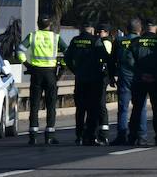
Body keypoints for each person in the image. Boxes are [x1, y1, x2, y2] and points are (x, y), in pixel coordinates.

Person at [18, 16, 67, 145]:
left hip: (36, 73)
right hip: (50, 73)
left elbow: (20, 50)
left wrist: (27, 64)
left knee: (34, 105)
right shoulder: (55, 38)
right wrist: (62, 65)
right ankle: (49, 135)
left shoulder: (32, 36)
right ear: (50, 24)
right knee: (51, 105)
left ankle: (33, 136)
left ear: (38, 24)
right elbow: (67, 52)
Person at [128, 20, 157, 146]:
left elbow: (129, 60)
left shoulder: (136, 42)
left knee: (136, 109)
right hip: (156, 81)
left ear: (144, 28)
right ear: (156, 28)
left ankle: (132, 137)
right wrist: (156, 75)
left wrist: (141, 74)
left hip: (139, 80)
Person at [65, 22, 109, 145]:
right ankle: (90, 136)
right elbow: (105, 56)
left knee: (80, 108)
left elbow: (67, 58)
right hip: (94, 79)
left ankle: (79, 135)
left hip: (80, 79)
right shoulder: (96, 40)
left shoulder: (75, 40)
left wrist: (75, 70)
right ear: (92, 29)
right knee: (92, 108)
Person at [110, 20, 140, 146]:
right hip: (138, 77)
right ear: (139, 29)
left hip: (123, 77)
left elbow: (112, 59)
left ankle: (121, 135)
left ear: (127, 29)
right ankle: (138, 135)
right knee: (139, 107)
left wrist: (111, 76)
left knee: (123, 108)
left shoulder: (119, 41)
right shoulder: (141, 41)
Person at [96, 26, 114, 145]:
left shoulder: (106, 43)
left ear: (106, 32)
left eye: (100, 31)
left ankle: (104, 134)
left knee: (100, 103)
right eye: (97, 31)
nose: (98, 33)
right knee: (98, 103)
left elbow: (107, 59)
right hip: (101, 76)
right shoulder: (101, 42)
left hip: (103, 76)